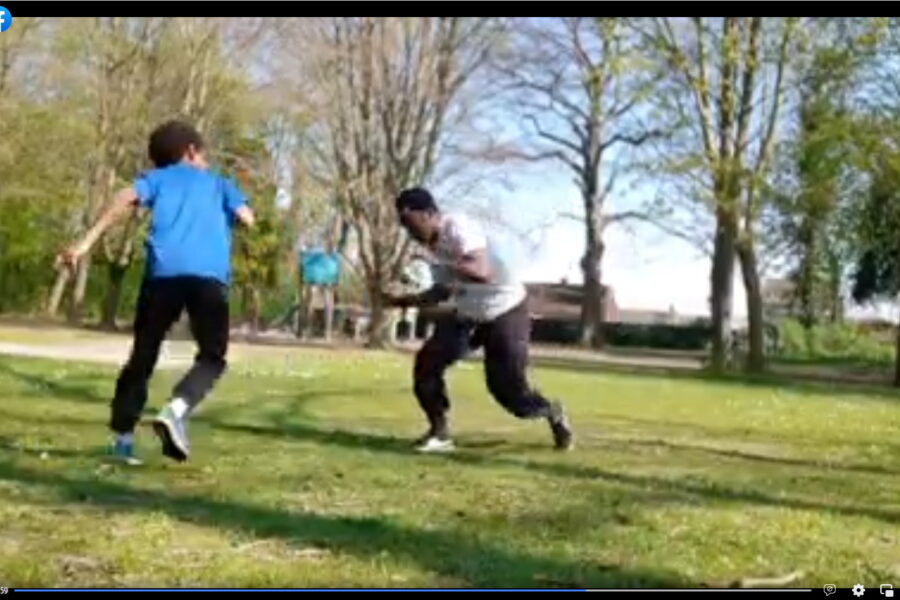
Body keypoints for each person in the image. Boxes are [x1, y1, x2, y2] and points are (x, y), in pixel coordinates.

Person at [58, 120, 255, 465]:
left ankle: (122, 441)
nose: (205, 160)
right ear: (191, 151)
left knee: (143, 355)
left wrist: (84, 244)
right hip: (208, 280)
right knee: (213, 356)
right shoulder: (219, 184)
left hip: (162, 277)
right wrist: (233, 214)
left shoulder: (157, 179)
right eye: (203, 154)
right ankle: (175, 410)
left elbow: (123, 198)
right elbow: (248, 218)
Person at [384, 188, 574, 453]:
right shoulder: (430, 247)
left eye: (410, 222)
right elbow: (440, 292)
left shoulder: (458, 227)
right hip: (469, 314)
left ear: (428, 214)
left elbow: (481, 270)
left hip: (505, 310)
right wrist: (401, 301)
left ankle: (551, 410)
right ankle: (439, 433)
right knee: (427, 364)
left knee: (508, 391)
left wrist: (437, 268)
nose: (409, 231)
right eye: (404, 226)